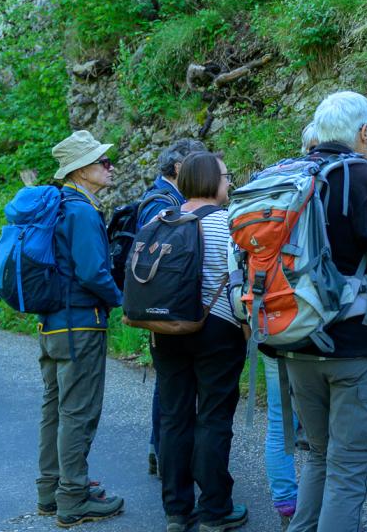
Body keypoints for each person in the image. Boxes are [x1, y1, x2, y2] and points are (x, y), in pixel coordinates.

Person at [276, 92, 367, 532]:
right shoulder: (364, 179)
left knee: (320, 457)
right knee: (348, 467)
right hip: (355, 350)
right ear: (363, 133)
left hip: (296, 339)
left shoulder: (295, 175)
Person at [150, 152, 248, 532]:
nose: (229, 183)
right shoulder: (229, 224)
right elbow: (240, 282)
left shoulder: (162, 219)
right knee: (213, 418)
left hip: (166, 330)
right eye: (226, 176)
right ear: (212, 182)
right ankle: (214, 510)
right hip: (217, 331)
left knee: (174, 418)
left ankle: (176, 509)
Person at [36, 130, 125, 527]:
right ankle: (73, 499)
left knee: (55, 409)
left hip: (52, 324)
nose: (109, 167)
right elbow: (92, 272)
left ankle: (50, 490)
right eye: (101, 162)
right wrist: (121, 299)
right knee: (79, 412)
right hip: (81, 327)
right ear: (80, 170)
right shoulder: (83, 211)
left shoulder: (56, 206)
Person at [262, 123, 319, 526]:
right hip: (316, 322)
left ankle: (287, 504)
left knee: (280, 421)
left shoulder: (268, 187)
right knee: (326, 425)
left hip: (270, 318)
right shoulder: (325, 187)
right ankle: (327, 508)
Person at [143, 138, 209, 477]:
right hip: (169, 311)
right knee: (169, 391)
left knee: (170, 387)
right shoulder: (162, 201)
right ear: (181, 168)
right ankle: (162, 451)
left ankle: (165, 452)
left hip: (165, 308)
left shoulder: (166, 198)